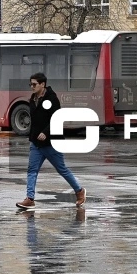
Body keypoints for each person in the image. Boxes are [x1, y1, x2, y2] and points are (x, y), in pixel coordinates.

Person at [16, 72, 86, 210]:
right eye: (30, 84)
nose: (32, 87)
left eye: (34, 84)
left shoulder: (52, 99)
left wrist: (45, 133)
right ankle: (30, 199)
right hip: (36, 143)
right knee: (32, 170)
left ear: (43, 84)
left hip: (52, 143)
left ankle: (79, 191)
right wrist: (33, 136)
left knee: (61, 169)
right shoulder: (32, 99)